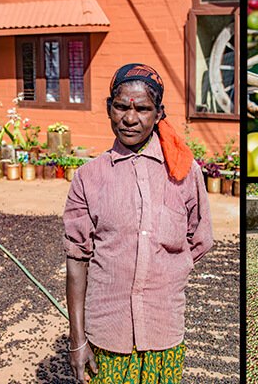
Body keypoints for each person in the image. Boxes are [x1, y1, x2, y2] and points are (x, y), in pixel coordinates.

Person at [63, 63, 213, 384]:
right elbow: (77, 259)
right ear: (109, 108)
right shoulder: (89, 177)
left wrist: (166, 271)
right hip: (108, 334)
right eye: (121, 107)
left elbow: (198, 239)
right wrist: (77, 340)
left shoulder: (184, 173)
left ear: (159, 114)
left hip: (164, 331)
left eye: (143, 109)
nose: (130, 119)